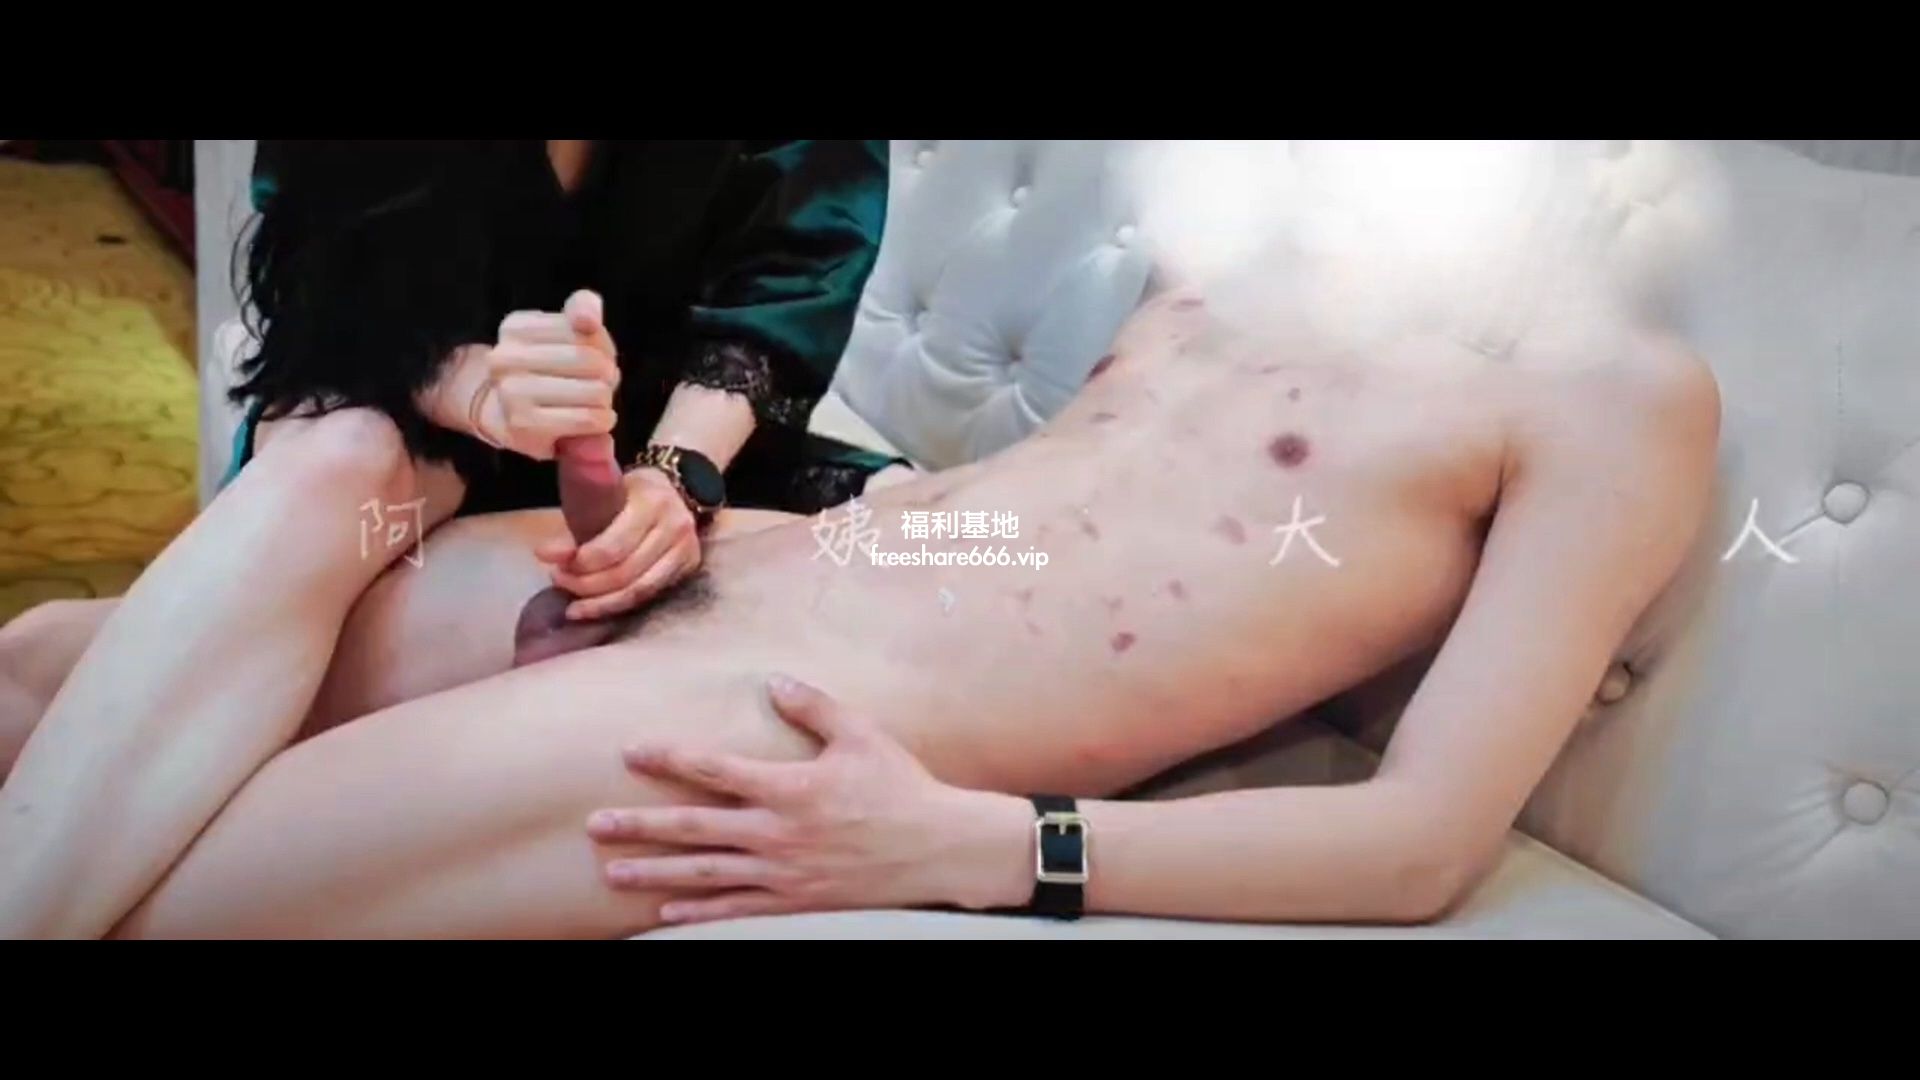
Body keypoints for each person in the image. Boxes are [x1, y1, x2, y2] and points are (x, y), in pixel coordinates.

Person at [0, 215, 1720, 934]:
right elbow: (1065, 518)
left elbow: (1421, 844)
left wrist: (986, 845)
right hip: (748, 566)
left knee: (150, 908)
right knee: (39, 669)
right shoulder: (1243, 248)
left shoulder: (1608, 395)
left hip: (789, 711)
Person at [0, 139, 897, 761]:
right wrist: (470, 386)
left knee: (942, 532)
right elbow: (322, 298)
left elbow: (792, 273)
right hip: (406, 404)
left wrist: (674, 476)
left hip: (681, 441)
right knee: (349, 455)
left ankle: (70, 671)